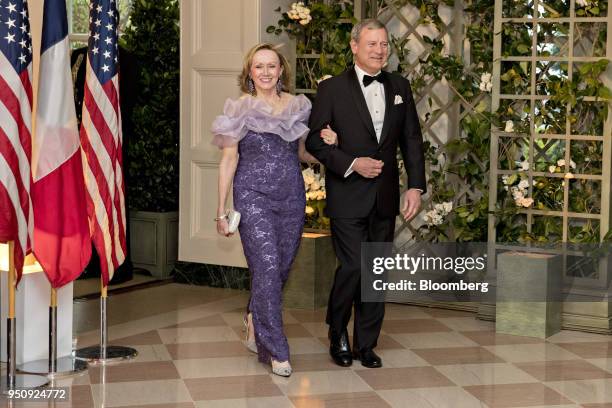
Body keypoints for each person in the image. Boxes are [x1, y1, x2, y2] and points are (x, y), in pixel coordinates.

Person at [305, 19, 426, 369]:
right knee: (354, 265)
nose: (379, 50)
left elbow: (412, 141)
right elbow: (314, 141)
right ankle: (338, 331)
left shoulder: (400, 86)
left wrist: (415, 186)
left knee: (375, 270)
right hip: (347, 193)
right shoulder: (331, 89)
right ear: (354, 46)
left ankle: (367, 343)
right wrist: (352, 163)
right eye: (372, 44)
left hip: (385, 196)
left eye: (384, 44)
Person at [211, 43, 337, 377]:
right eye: (259, 66)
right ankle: (276, 349)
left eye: (272, 66)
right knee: (266, 265)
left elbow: (302, 154)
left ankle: (254, 316)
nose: (266, 72)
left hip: (291, 197)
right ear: (249, 73)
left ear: (281, 70)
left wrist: (327, 143)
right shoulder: (239, 109)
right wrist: (221, 209)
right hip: (252, 196)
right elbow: (229, 159)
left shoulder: (297, 106)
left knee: (280, 268)